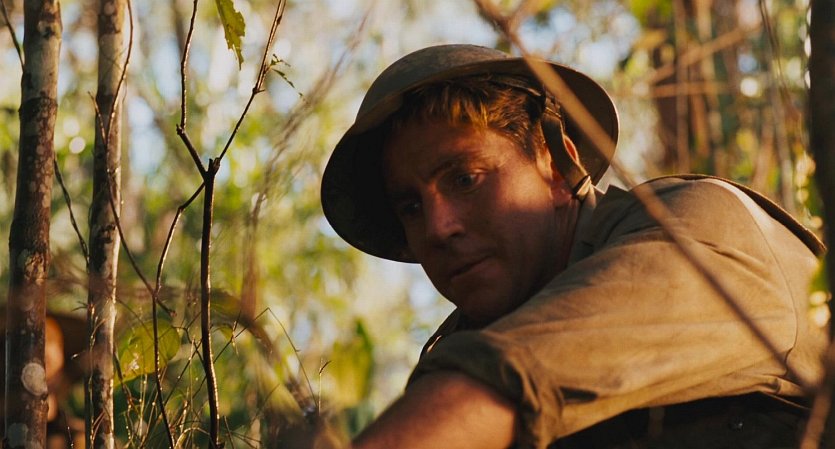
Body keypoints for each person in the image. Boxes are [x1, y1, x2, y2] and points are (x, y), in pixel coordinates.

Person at [319, 44, 828, 449]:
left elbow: (511, 377)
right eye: (411, 207)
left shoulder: (695, 225)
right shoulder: (457, 349)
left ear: (558, 165)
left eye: (465, 178)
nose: (437, 227)